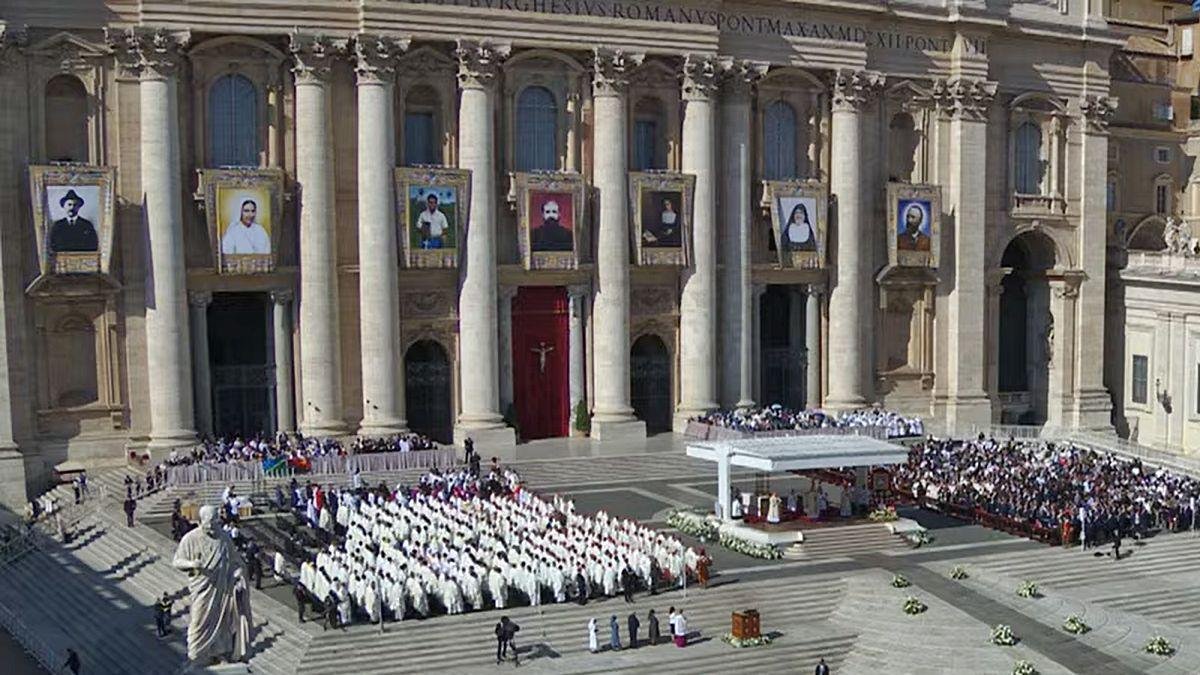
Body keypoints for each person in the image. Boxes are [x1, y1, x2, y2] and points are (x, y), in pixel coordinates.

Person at [172, 505, 252, 663]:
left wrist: (238, 574)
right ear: (202, 522)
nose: (213, 527)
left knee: (222, 622)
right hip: (203, 589)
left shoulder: (223, 538)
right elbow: (176, 561)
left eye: (215, 523)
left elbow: (236, 561)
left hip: (222, 588)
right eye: (210, 524)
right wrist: (192, 564)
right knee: (199, 621)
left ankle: (218, 653)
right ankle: (195, 654)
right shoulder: (191, 538)